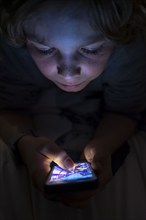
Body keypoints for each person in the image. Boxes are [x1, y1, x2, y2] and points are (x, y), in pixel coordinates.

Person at [0, 0, 146, 219]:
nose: (68, 73)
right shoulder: (13, 46)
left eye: (91, 49)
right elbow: (7, 107)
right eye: (45, 49)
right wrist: (24, 143)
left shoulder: (130, 48)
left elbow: (125, 111)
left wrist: (105, 144)